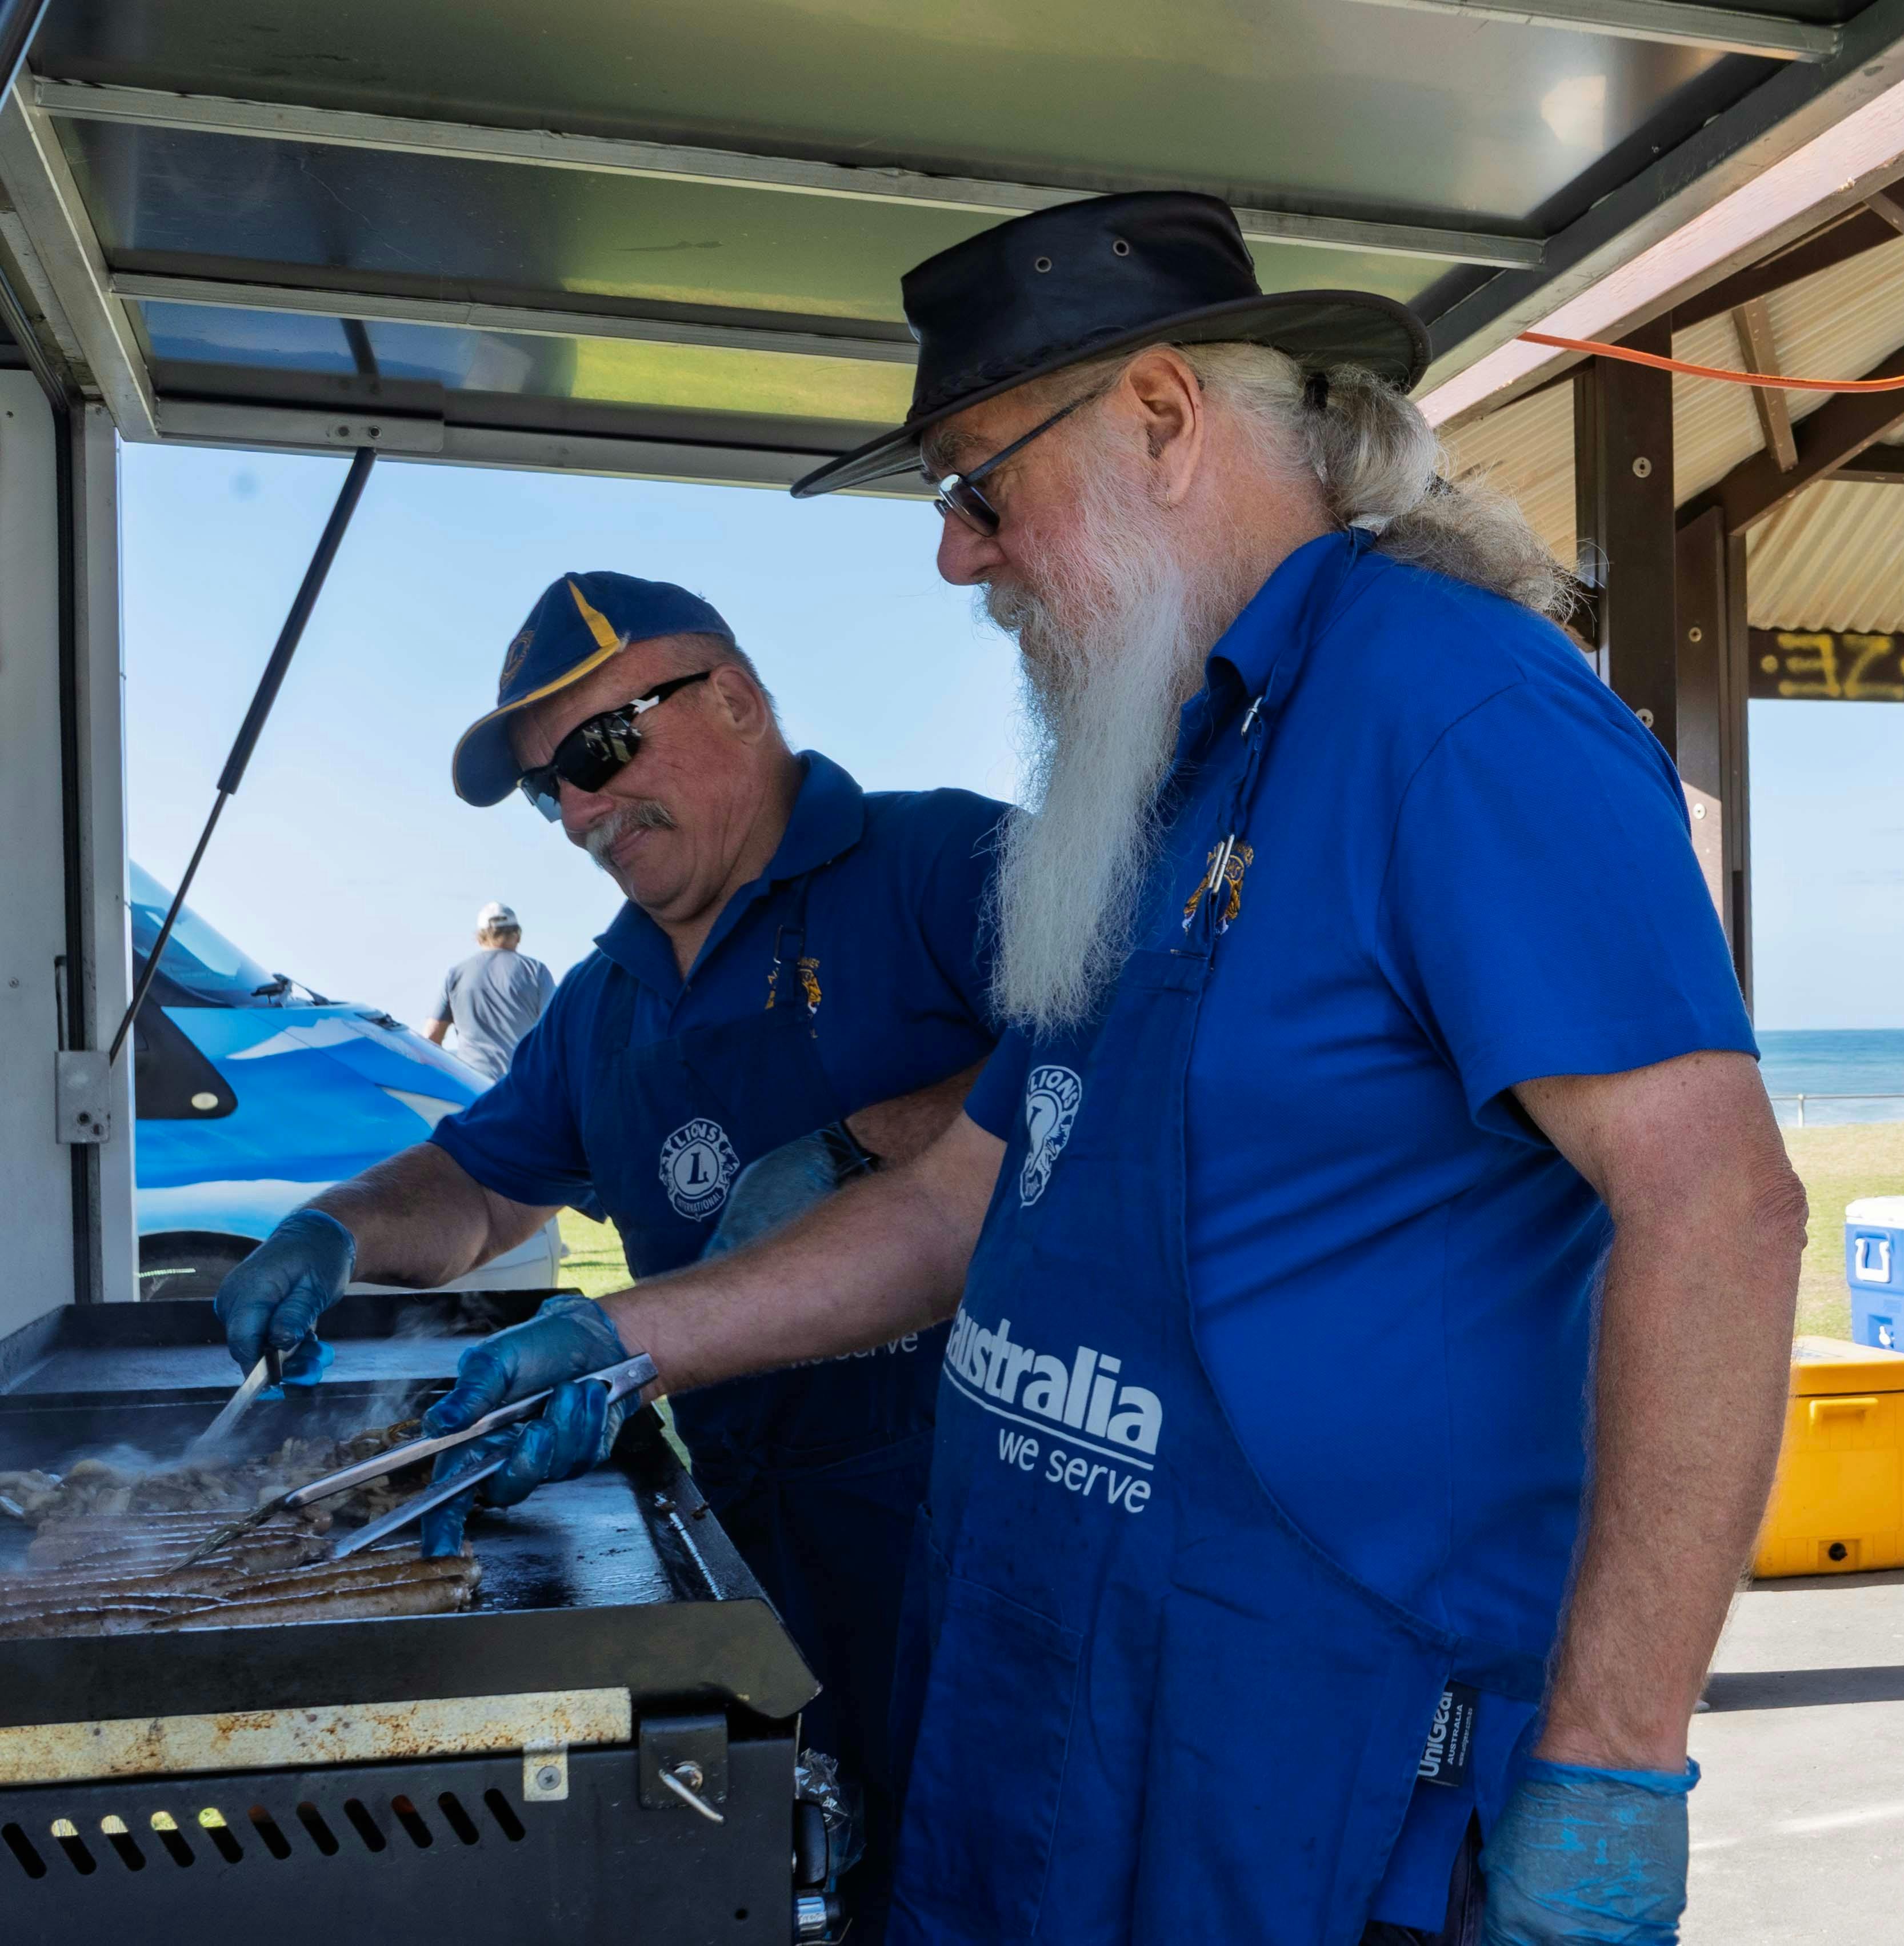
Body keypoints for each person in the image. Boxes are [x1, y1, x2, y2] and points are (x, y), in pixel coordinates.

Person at [413, 196, 1806, 1946]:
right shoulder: (1152, 772)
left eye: (978, 486)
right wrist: (622, 1341)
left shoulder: (1456, 709)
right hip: (1045, 1728)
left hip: (1305, 1781)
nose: (955, 558)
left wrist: (1615, 1755)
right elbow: (968, 1199)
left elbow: (1717, 1203)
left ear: (1161, 416)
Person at [210, 571, 1007, 1941]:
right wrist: (336, 1226)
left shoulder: (946, 868)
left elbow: (1139, 1054)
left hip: (980, 1541)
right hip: (738, 1547)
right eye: (547, 790)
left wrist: (876, 1141)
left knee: (988, 1888)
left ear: (736, 698)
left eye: (597, 749)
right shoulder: (600, 998)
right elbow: (476, 1183)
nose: (578, 813)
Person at [422, 900, 555, 1080]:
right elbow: (558, 1030)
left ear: (480, 937)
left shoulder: (456, 975)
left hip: (473, 1087)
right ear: (517, 935)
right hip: (523, 1087)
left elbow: (431, 1037)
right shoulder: (536, 971)